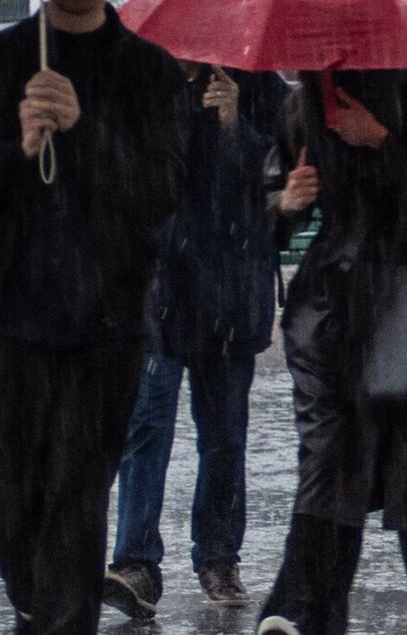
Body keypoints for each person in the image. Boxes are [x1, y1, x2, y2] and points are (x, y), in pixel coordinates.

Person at [256, 65, 407, 635]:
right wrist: (284, 206)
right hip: (332, 311)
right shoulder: (309, 96)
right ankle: (304, 615)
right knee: (331, 471)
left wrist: (384, 142)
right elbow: (269, 203)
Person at [0, 0, 185, 631]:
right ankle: (37, 604)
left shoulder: (149, 70)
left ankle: (59, 616)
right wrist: (20, 150)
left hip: (104, 323)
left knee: (78, 503)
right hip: (14, 323)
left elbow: (159, 192)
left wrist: (85, 131)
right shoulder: (10, 58)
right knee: (18, 505)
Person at [104, 63, 289, 619]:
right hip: (159, 291)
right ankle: (135, 561)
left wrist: (235, 125)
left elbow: (279, 187)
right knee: (146, 425)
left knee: (225, 434)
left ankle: (218, 556)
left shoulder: (260, 87)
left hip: (232, 292)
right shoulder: (145, 85)